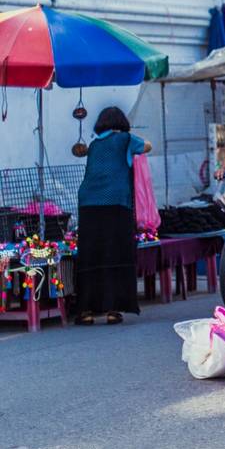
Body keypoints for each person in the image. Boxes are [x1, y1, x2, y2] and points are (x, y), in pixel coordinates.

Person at [75, 107, 152, 325]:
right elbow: (148, 146)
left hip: (88, 204)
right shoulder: (125, 139)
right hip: (116, 203)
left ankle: (86, 311)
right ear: (121, 123)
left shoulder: (95, 144)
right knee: (115, 253)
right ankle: (113, 309)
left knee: (91, 255)